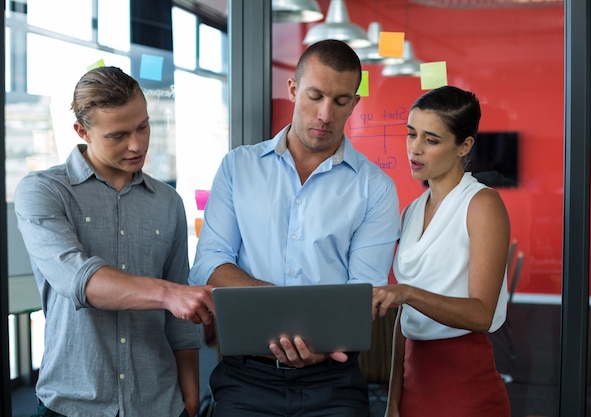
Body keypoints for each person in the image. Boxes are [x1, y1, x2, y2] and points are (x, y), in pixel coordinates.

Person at [188, 39, 400, 417]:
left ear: (353, 102)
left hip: (332, 380)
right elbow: (209, 263)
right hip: (245, 377)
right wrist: (284, 311)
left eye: (340, 101)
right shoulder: (239, 167)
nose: (325, 114)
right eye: (314, 95)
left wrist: (313, 339)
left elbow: (362, 291)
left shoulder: (375, 188)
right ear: (292, 89)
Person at [14, 66, 215, 417]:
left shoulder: (168, 202)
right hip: (72, 404)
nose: (137, 144)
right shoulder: (43, 191)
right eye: (118, 135)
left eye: (143, 126)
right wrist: (168, 294)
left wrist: (191, 398)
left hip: (160, 403)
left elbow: (180, 322)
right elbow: (77, 279)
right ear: (82, 131)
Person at [373, 86, 512, 417]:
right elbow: (404, 320)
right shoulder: (411, 211)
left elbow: (481, 314)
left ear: (464, 145)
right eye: (411, 134)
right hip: (413, 379)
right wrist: (393, 400)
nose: (415, 149)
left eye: (431, 140)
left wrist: (406, 293)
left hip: (464, 381)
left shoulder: (482, 204)